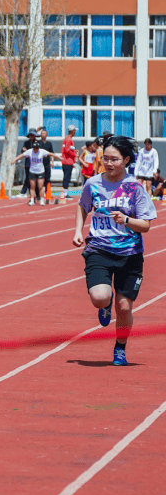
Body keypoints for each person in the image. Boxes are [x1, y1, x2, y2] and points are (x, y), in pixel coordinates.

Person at [73, 136, 156, 367]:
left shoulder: (135, 187)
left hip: (129, 253)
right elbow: (83, 206)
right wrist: (78, 231)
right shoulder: (93, 184)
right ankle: (105, 304)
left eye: (114, 159)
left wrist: (127, 219)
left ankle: (120, 347)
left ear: (126, 160)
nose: (108, 164)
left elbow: (146, 225)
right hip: (99, 249)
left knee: (125, 306)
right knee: (101, 297)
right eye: (105, 158)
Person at [11, 141, 62, 206]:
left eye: (37, 148)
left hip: (40, 171)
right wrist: (14, 160)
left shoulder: (42, 151)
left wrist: (59, 157)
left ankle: (41, 200)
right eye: (34, 148)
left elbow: (51, 154)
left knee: (40, 186)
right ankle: (32, 200)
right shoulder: (29, 151)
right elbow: (22, 155)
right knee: (32, 187)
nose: (36, 149)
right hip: (32, 171)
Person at [61, 125, 78, 203]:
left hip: (68, 162)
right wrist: (75, 155)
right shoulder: (68, 139)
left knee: (67, 178)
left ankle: (65, 193)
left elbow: (69, 150)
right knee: (67, 178)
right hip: (67, 162)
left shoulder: (68, 139)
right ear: (72, 131)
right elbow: (67, 150)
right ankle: (65, 193)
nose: (75, 132)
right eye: (74, 131)